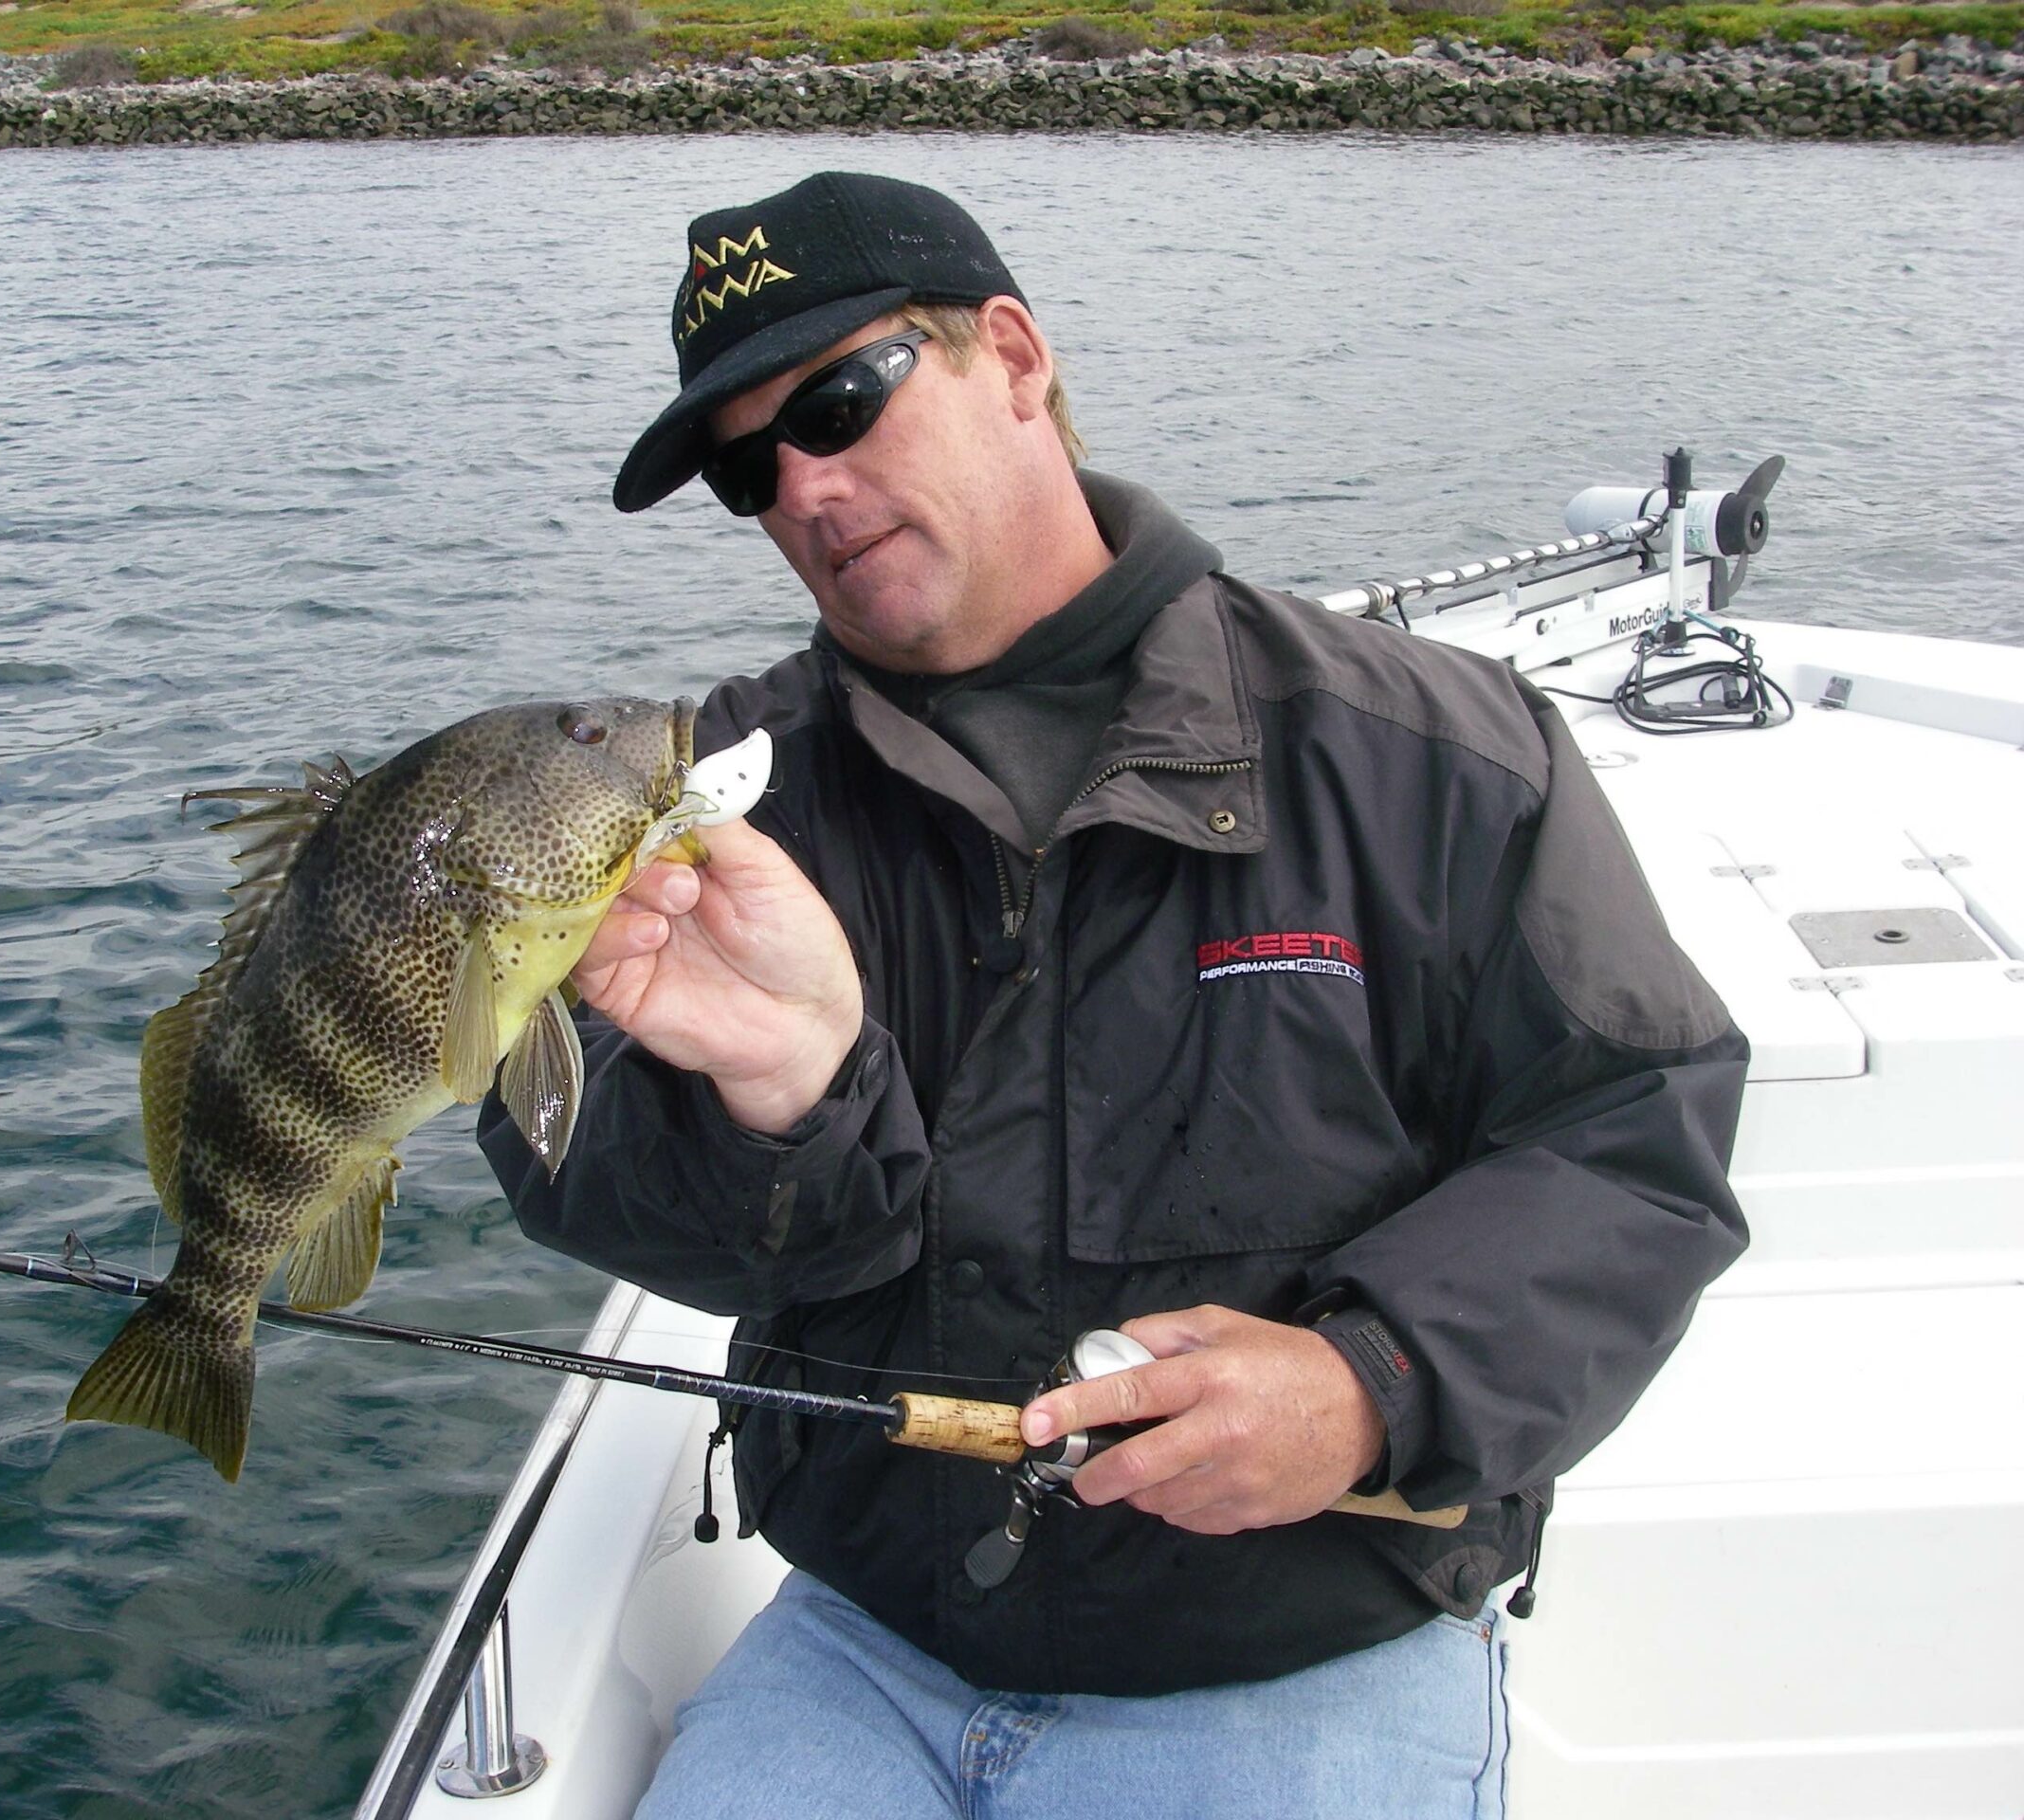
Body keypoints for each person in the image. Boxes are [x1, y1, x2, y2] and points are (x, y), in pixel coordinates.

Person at [478, 172, 1749, 1819]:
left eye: (842, 401)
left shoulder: (1435, 757)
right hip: (864, 1643)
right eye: (744, 466)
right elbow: (583, 1171)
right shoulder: (717, 797)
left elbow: (1633, 1139)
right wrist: (784, 1109)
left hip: (1308, 1655)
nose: (802, 485)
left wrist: (1371, 1384)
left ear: (1012, 357)